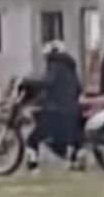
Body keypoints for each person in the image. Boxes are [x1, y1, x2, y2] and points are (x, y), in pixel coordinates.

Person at [25, 41, 83, 171]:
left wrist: (30, 82)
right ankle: (74, 158)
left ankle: (33, 162)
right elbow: (78, 88)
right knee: (68, 139)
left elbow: (48, 82)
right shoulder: (70, 67)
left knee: (34, 137)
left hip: (55, 110)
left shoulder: (55, 65)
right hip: (71, 111)